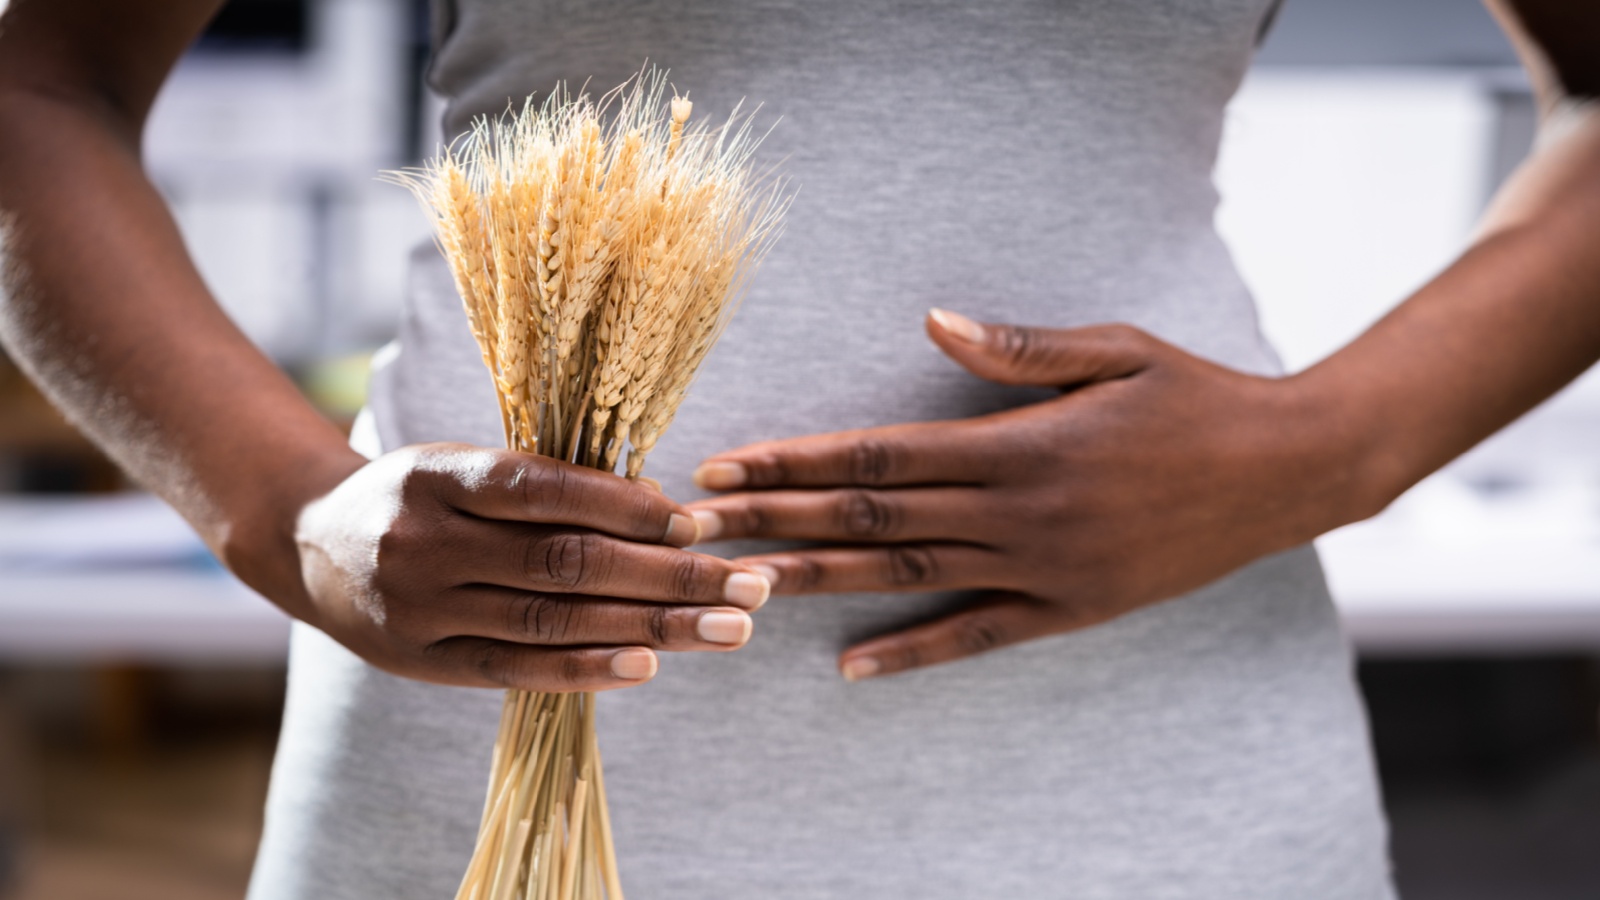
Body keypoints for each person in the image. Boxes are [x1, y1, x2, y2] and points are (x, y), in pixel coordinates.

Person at [2, 0, 1597, 896]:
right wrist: (290, 514)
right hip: (501, 778)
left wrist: (1333, 448)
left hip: (1167, 788)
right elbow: (39, 80)